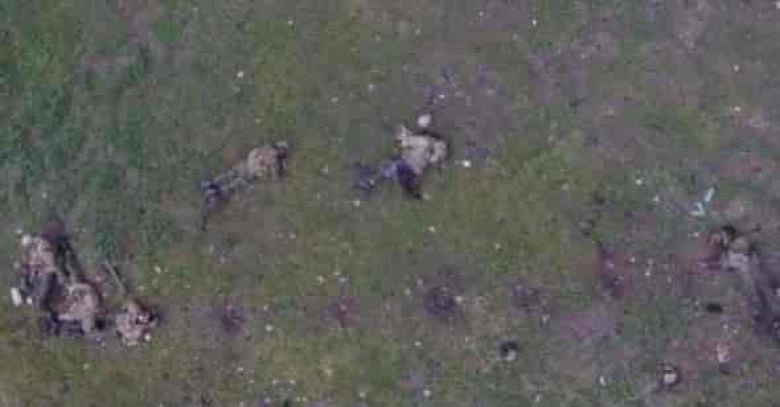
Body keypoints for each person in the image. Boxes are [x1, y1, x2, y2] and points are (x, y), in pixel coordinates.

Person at [200, 141, 289, 230]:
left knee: (230, 175)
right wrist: (281, 168)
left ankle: (211, 186)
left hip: (246, 164)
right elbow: (276, 177)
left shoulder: (268, 148)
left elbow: (261, 151)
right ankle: (215, 192)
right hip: (250, 172)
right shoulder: (274, 160)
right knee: (232, 183)